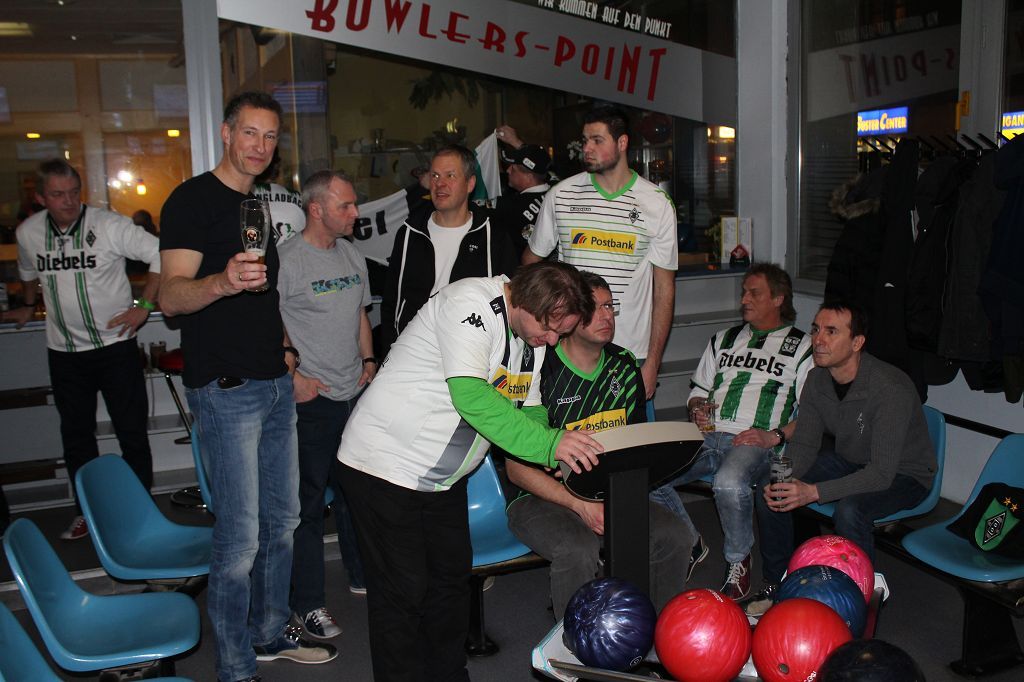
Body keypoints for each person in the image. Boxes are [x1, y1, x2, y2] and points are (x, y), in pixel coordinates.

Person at [337, 261, 605, 682]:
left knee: (450, 583)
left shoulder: (531, 336)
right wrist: (550, 445)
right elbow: (471, 397)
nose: (553, 341)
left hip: (441, 480)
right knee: (403, 593)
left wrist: (551, 452)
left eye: (561, 333)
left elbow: (530, 408)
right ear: (526, 302)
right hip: (383, 466)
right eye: (550, 329)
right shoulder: (469, 303)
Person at [159, 91, 336, 682]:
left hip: (274, 385)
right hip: (226, 391)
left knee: (282, 525)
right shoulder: (191, 201)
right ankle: (234, 665)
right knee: (239, 541)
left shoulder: (257, 205)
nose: (260, 146)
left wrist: (286, 354)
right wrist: (222, 281)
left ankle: (268, 632)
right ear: (226, 133)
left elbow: (268, 301)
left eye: (270, 136)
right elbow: (169, 296)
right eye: (250, 133)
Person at [505, 272, 695, 618]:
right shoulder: (539, 368)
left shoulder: (625, 366)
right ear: (570, 316)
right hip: (539, 496)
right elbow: (516, 470)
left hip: (611, 491)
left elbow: (637, 449)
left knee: (675, 535)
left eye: (610, 306)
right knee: (578, 548)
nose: (607, 316)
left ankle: (656, 630)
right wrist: (579, 504)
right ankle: (574, 644)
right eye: (595, 308)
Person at [749, 301, 936, 614]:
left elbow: (880, 474)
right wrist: (786, 479)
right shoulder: (817, 379)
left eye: (831, 332)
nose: (818, 339)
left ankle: (859, 601)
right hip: (853, 460)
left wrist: (813, 492)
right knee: (772, 484)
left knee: (851, 510)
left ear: (857, 342)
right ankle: (777, 583)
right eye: (816, 329)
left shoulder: (890, 388)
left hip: (905, 474)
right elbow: (805, 444)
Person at [9, 159, 158, 541]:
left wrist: (144, 305)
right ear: (40, 198)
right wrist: (28, 304)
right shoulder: (28, 233)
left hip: (115, 347)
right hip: (65, 353)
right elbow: (28, 273)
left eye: (74, 192)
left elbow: (162, 253)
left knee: (131, 434)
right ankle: (87, 514)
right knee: (76, 439)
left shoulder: (108, 225)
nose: (69, 201)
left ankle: (140, 511)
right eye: (58, 194)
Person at [652, 264, 813, 601]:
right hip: (708, 435)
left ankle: (738, 560)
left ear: (778, 299)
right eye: (743, 292)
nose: (744, 300)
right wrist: (697, 406)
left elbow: (814, 414)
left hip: (756, 442)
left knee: (728, 481)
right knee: (649, 475)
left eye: (754, 293)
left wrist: (774, 436)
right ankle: (691, 542)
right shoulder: (723, 339)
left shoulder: (802, 347)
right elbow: (698, 390)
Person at [523, 105, 677, 399]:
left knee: (631, 431)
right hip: (568, 351)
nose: (587, 149)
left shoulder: (657, 203)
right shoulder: (561, 195)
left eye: (597, 140)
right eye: (585, 141)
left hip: (631, 352)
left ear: (622, 143)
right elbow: (531, 263)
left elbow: (664, 289)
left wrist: (653, 363)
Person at [277, 169, 372, 641]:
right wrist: (292, 376)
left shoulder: (352, 253)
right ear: (316, 210)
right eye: (345, 206)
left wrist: (369, 361)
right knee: (307, 508)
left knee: (358, 495)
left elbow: (360, 314)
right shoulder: (287, 260)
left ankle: (362, 575)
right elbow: (268, 322)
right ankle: (308, 603)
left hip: (354, 394)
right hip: (312, 402)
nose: (355, 213)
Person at [379, 143, 517, 358]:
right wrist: (390, 353)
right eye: (434, 176)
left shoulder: (494, 235)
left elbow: (511, 300)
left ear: (470, 183)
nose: (440, 183)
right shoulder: (410, 232)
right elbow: (391, 301)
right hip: (413, 353)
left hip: (471, 353)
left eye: (450, 176)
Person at [492, 124, 552, 257]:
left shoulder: (510, 207)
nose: (508, 170)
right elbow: (543, 165)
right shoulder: (557, 189)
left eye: (513, 169)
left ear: (529, 177)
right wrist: (516, 143)